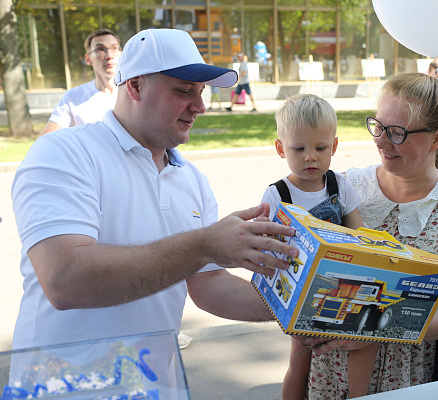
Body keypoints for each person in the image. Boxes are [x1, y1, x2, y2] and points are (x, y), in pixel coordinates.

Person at [11, 28, 299, 379]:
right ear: (134, 86)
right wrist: (205, 245)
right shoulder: (63, 152)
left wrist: (302, 306)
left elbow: (209, 287)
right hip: (59, 386)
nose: (200, 106)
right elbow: (65, 279)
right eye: (183, 91)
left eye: (201, 91)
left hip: (155, 385)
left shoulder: (191, 179)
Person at [298, 73, 438, 398]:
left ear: (437, 138)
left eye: (397, 133)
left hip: (407, 375)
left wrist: (373, 327)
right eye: (378, 126)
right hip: (333, 367)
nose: (381, 142)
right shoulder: (348, 185)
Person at [260, 94, 373, 399]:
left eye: (320, 148)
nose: (310, 157)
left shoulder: (339, 184)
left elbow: (358, 230)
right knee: (300, 358)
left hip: (342, 282)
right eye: (299, 149)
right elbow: (266, 244)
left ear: (334, 147)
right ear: (281, 148)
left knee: (360, 350)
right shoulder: (277, 195)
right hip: (300, 288)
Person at [39, 28, 122, 136]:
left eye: (114, 48)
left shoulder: (135, 92)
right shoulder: (73, 98)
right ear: (88, 59)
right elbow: (44, 141)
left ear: (121, 53)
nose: (109, 56)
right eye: (100, 49)